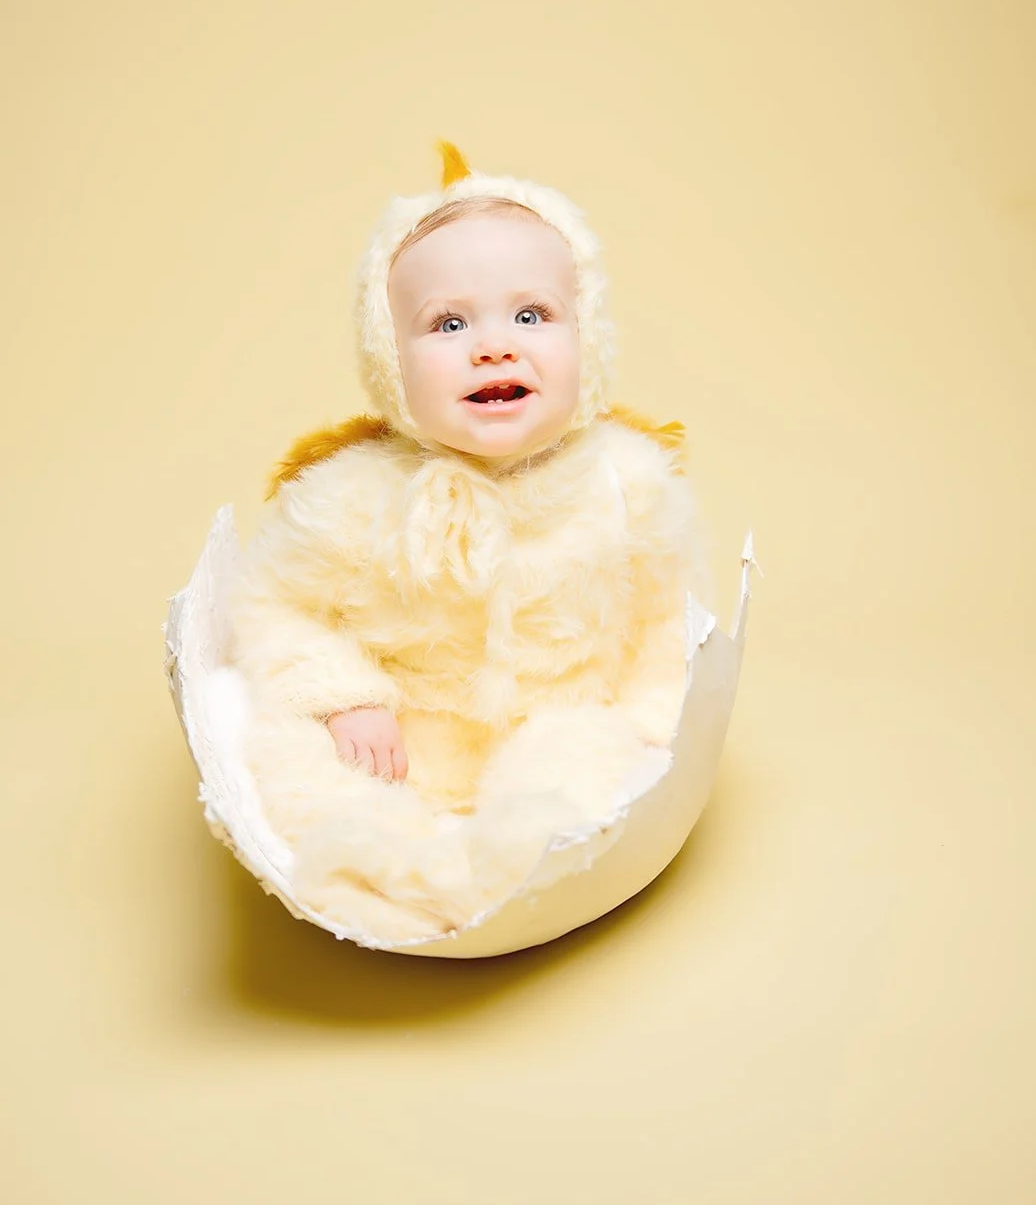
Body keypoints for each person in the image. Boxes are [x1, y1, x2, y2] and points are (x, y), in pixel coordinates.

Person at [229, 142, 707, 942]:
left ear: (585, 338)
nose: (494, 346)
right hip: (404, 743)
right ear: (388, 356)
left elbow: (665, 621)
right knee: (290, 756)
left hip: (562, 720)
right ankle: (384, 873)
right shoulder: (353, 492)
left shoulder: (627, 482)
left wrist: (651, 724)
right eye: (448, 323)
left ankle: (511, 874)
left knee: (580, 763)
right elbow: (273, 602)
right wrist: (346, 697)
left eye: (532, 315)